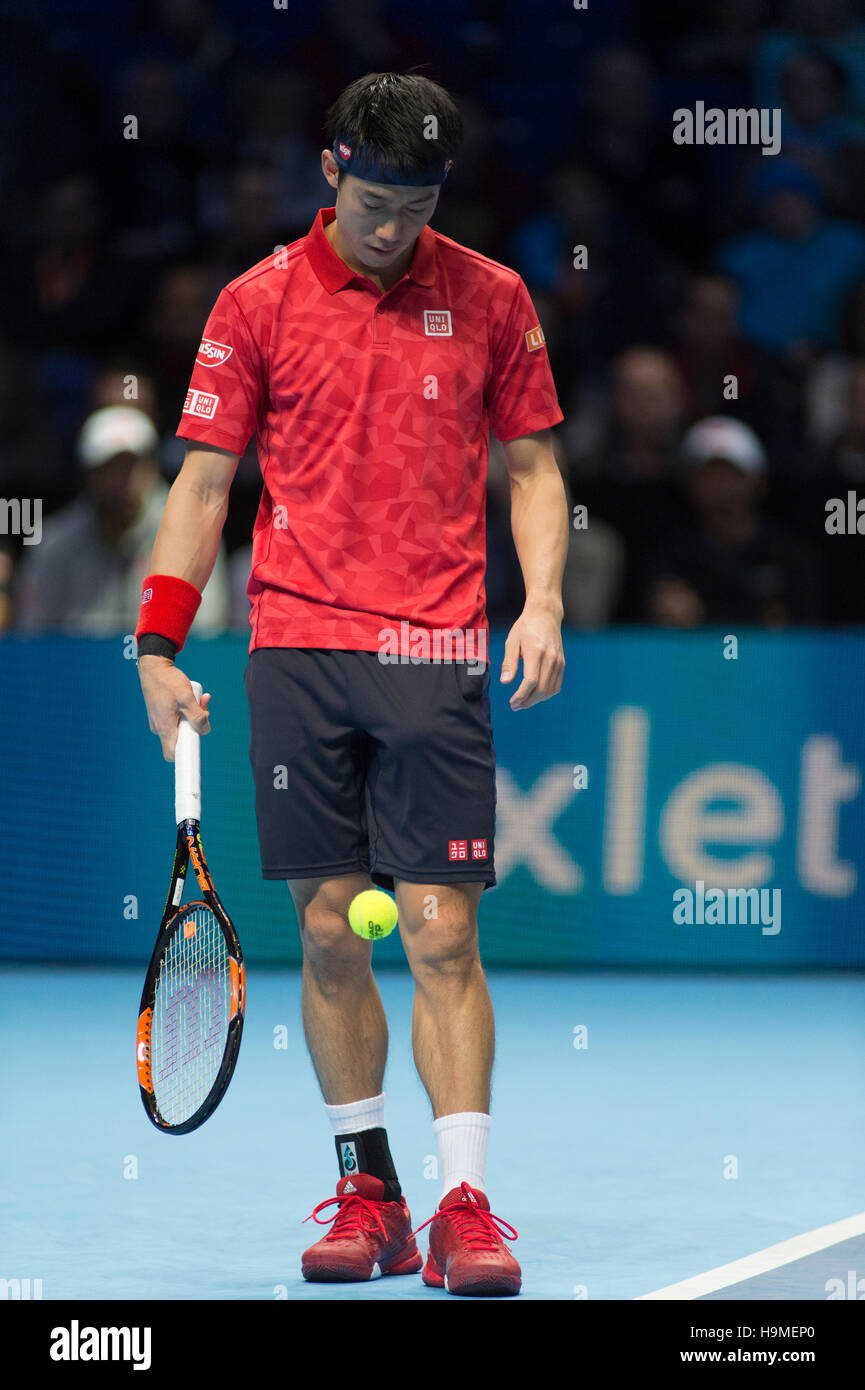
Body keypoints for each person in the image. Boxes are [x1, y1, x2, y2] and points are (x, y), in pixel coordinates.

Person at [135, 71, 568, 1297]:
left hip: (435, 645)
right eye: (376, 199)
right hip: (300, 649)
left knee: (441, 930)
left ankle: (466, 1205)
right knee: (329, 931)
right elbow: (204, 485)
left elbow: (535, 468)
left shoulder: (491, 295)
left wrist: (539, 602)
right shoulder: (256, 300)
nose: (394, 226)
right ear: (330, 170)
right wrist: (156, 646)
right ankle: (367, 1188)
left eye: (417, 203)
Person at [15, 405, 229, 635]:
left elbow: (208, 632)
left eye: (133, 464)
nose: (124, 478)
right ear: (90, 474)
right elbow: (33, 636)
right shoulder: (55, 543)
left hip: (164, 667)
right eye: (111, 467)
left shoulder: (192, 533)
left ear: (152, 467)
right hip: (78, 669)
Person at [640, 416, 822, 627]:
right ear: (690, 484)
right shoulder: (669, 559)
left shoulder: (792, 557)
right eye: (709, 474)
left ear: (758, 481)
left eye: (732, 474)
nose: (721, 486)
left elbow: (808, 632)